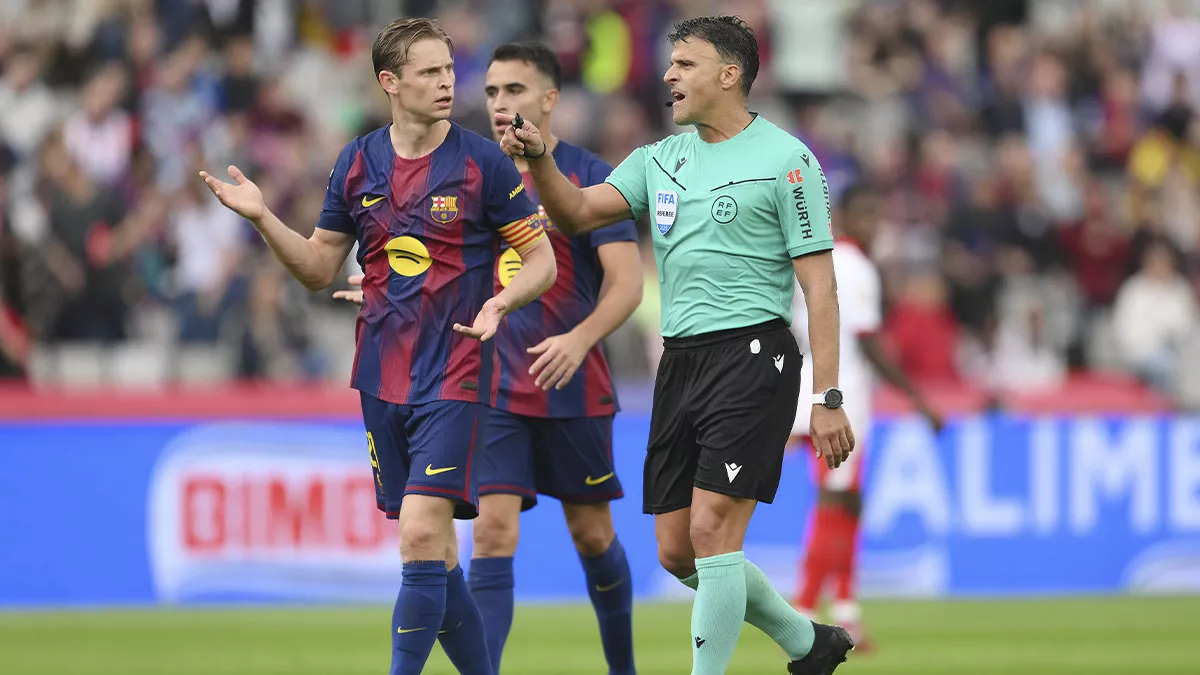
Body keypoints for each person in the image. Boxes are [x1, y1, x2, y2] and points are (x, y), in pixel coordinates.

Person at [495, 15, 856, 675]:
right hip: (681, 362)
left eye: (685, 64)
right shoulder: (658, 160)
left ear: (729, 74)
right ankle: (809, 642)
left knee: (714, 529)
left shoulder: (787, 160)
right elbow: (575, 212)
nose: (668, 75)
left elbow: (821, 290)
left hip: (755, 354)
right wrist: (540, 158)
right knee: (676, 550)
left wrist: (827, 396)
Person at [200, 18, 556, 675]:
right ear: (389, 82)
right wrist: (261, 217)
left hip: (456, 369)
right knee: (437, 555)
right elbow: (316, 266)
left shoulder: (481, 162)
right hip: (381, 376)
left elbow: (541, 260)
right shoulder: (358, 161)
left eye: (449, 69)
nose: (446, 81)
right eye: (428, 72)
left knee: (420, 532)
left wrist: (502, 301)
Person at [337, 41, 643, 675]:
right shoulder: (465, 167)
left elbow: (627, 284)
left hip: (570, 383)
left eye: (516, 91)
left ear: (549, 99)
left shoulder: (589, 177)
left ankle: (623, 669)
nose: (501, 103)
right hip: (486, 382)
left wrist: (580, 339)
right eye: (494, 92)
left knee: (592, 535)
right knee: (492, 533)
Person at [790, 183, 944, 652]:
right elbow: (869, 344)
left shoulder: (813, 256)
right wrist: (918, 399)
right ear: (845, 217)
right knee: (835, 504)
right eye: (868, 215)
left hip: (804, 391)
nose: (876, 226)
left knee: (846, 503)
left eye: (879, 216)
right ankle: (804, 612)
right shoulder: (854, 267)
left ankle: (845, 610)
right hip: (838, 401)